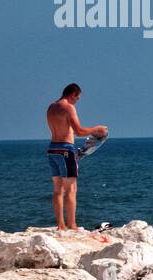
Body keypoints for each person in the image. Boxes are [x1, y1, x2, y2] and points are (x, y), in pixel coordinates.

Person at [45, 83, 107, 231]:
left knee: (57, 190)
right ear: (72, 94)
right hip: (66, 150)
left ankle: (60, 225)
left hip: (52, 149)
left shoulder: (51, 107)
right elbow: (79, 131)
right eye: (77, 98)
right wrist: (97, 129)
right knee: (71, 189)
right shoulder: (68, 107)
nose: (76, 101)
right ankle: (72, 225)